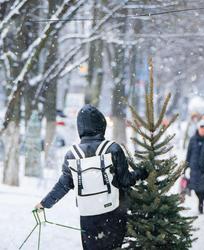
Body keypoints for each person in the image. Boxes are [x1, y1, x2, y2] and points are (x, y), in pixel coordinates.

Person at [35, 104, 148, 250]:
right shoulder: (112, 149)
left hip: (88, 216)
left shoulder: (72, 155)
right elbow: (126, 181)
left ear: (80, 128)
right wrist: (144, 172)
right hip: (113, 214)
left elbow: (63, 186)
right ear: (102, 125)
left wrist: (44, 204)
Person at [186, 119, 204, 214]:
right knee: (196, 187)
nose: (202, 130)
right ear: (198, 128)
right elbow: (189, 153)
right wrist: (186, 165)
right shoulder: (193, 139)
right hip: (194, 166)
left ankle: (201, 200)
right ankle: (200, 201)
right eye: (201, 128)